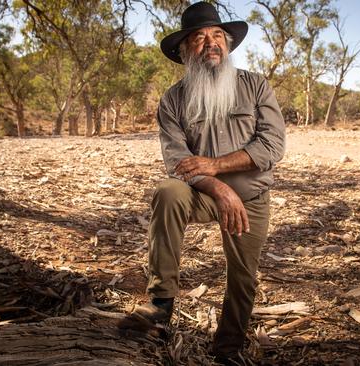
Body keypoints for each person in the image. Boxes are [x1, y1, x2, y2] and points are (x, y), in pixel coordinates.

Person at [132, 1, 285, 363]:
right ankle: (161, 305)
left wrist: (217, 167)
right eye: (199, 38)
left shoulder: (255, 85)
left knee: (243, 277)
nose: (211, 42)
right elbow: (176, 161)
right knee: (168, 193)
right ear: (186, 50)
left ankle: (228, 348)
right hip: (201, 194)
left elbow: (272, 145)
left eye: (218, 35)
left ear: (228, 45)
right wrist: (217, 186)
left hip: (251, 197)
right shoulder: (174, 99)